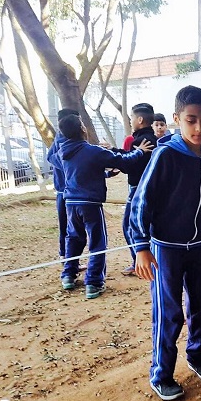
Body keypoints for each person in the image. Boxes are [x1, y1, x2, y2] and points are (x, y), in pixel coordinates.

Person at [130, 86, 201, 401]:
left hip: (197, 248)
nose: (199, 128)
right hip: (165, 249)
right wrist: (141, 248)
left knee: (200, 306)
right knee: (170, 312)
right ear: (177, 119)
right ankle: (161, 374)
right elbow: (141, 203)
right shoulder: (165, 155)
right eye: (191, 120)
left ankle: (197, 357)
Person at [58, 114, 147, 299]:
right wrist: (139, 151)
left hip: (71, 203)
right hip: (90, 203)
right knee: (98, 243)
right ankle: (94, 283)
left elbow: (79, 173)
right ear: (82, 129)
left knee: (73, 238)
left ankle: (68, 275)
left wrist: (105, 176)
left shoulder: (62, 152)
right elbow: (123, 161)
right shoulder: (92, 151)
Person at [115, 103, 159, 276]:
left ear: (140, 119)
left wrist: (112, 156)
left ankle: (139, 262)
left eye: (132, 117)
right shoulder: (152, 139)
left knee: (130, 226)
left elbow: (128, 164)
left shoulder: (141, 141)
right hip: (149, 188)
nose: (131, 121)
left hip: (137, 189)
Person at [47, 108, 80, 261]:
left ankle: (65, 256)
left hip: (63, 192)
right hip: (68, 192)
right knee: (72, 230)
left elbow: (50, 157)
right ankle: (68, 260)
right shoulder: (66, 142)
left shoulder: (59, 140)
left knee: (66, 227)